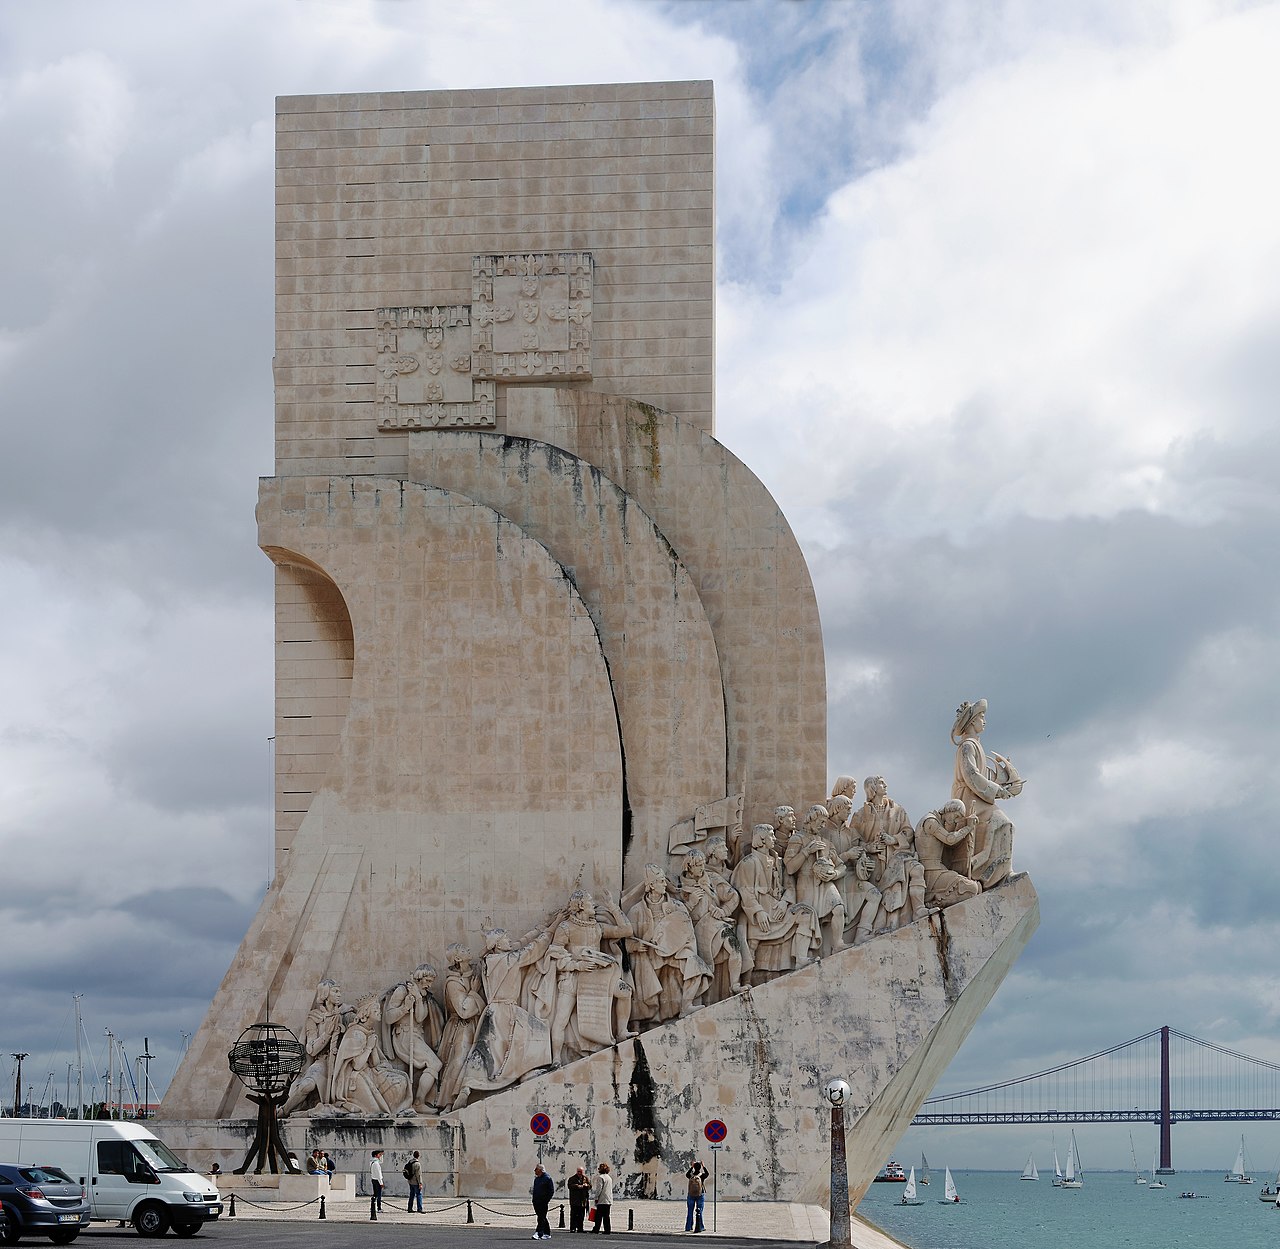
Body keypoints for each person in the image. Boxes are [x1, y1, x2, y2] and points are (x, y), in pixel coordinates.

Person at [951, 698, 1022, 889]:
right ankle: (993, 875)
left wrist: (1004, 784)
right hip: (970, 798)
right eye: (981, 716)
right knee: (1005, 824)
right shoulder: (967, 746)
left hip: (979, 796)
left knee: (1004, 826)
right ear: (972, 721)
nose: (984, 721)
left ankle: (1000, 873)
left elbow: (981, 775)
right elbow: (972, 775)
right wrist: (998, 791)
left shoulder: (975, 745)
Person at [684, 1157, 709, 1233]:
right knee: (699, 1211)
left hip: (691, 1195)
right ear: (700, 1168)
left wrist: (692, 1167)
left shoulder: (691, 1175)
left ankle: (688, 1227)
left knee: (690, 1211)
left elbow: (687, 1174)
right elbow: (707, 1173)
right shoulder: (702, 1176)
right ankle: (700, 1227)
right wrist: (703, 1166)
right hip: (700, 1195)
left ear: (694, 1167)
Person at [531, 1164, 555, 1240]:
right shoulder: (537, 1179)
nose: (535, 1170)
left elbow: (551, 1191)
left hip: (543, 1201)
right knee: (542, 1217)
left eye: (536, 1169)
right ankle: (547, 1233)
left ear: (540, 1170)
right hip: (536, 1201)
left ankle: (539, 1233)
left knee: (541, 1218)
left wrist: (546, 1200)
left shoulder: (547, 1178)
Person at [590, 1162, 613, 1234]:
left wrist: (596, 1197)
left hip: (602, 1199)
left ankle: (596, 1229)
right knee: (606, 1216)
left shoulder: (600, 1177)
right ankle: (607, 1230)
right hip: (608, 1200)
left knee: (598, 1216)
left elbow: (599, 1189)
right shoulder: (609, 1178)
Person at [567, 1166, 591, 1232]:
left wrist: (587, 1185)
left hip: (583, 1200)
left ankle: (580, 1228)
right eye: (578, 1171)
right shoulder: (572, 1178)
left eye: (581, 1172)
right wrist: (578, 1186)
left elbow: (590, 1186)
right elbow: (570, 1186)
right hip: (575, 1200)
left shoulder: (585, 1178)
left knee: (581, 1215)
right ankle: (573, 1228)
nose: (579, 1173)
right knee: (574, 1215)